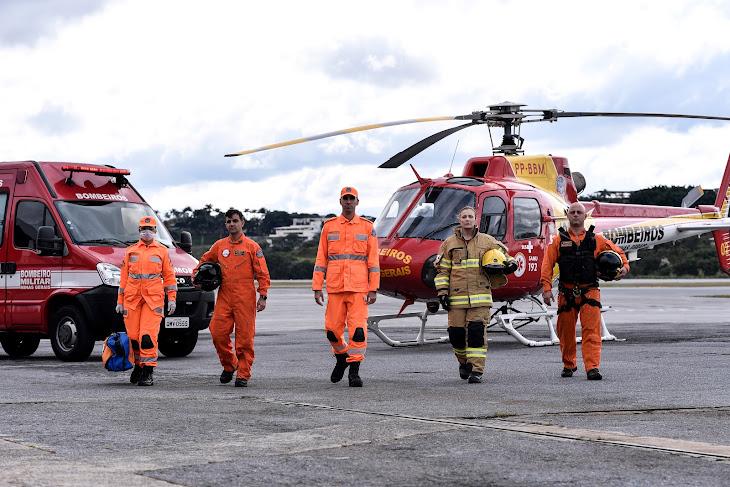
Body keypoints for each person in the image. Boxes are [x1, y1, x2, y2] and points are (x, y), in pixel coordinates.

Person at [540, 201, 629, 380]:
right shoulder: (558, 241)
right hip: (567, 292)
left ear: (585, 216)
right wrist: (546, 288)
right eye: (572, 212)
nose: (575, 214)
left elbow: (619, 254)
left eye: (578, 212)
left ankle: (592, 368)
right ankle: (569, 364)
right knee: (566, 332)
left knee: (592, 331)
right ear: (567, 215)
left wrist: (624, 268)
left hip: (590, 291)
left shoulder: (597, 240)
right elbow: (547, 265)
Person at [195, 209, 270, 387]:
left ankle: (243, 373)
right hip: (225, 296)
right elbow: (205, 260)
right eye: (228, 221)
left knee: (244, 339)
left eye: (235, 221)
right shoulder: (220, 246)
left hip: (245, 297)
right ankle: (230, 365)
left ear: (242, 222)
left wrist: (263, 295)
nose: (231, 224)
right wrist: (196, 275)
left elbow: (262, 273)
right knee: (217, 332)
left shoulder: (252, 247)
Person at [312, 186, 379, 387]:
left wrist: (373, 288)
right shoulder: (329, 226)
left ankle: (354, 371)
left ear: (357, 202)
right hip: (335, 287)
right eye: (345, 199)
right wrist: (317, 286)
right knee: (332, 330)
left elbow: (373, 260)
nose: (348, 202)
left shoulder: (367, 227)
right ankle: (341, 357)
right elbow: (321, 258)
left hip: (359, 289)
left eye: (352, 199)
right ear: (340, 202)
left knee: (358, 331)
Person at [434, 206, 509, 384]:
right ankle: (463, 363)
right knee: (456, 335)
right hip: (456, 298)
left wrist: (510, 265)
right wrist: (442, 293)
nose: (467, 219)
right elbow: (442, 271)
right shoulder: (449, 244)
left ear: (476, 219)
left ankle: (476, 370)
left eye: (470, 216)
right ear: (459, 219)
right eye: (464, 217)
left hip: (480, 297)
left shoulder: (488, 241)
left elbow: (506, 255)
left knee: (476, 333)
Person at [115, 216, 177, 386]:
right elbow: (123, 278)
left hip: (153, 300)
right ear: (139, 231)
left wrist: (172, 299)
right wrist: (120, 301)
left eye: (149, 229)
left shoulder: (162, 251)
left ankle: (148, 370)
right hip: (132, 300)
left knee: (147, 336)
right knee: (134, 337)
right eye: (143, 229)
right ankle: (138, 366)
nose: (146, 232)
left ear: (155, 231)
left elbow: (170, 277)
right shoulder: (131, 251)